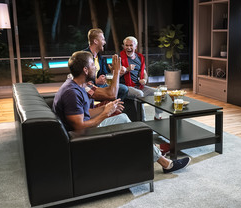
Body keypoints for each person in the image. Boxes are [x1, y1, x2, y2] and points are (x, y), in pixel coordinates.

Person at [53, 51, 191, 174]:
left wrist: (106, 108)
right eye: (93, 65)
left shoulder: (78, 85)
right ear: (85, 69)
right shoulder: (72, 93)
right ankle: (165, 162)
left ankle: (152, 149)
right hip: (82, 137)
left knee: (125, 118)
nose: (96, 68)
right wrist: (105, 113)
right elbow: (80, 127)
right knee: (136, 132)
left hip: (85, 130)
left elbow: (85, 112)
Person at [119, 36, 162, 120]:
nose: (128, 48)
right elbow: (116, 75)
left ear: (135, 46)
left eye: (131, 45)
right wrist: (127, 69)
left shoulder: (140, 58)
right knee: (140, 94)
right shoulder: (120, 58)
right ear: (124, 46)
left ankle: (157, 115)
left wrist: (145, 80)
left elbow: (144, 72)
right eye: (126, 45)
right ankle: (143, 120)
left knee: (157, 92)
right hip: (126, 87)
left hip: (138, 85)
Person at [84, 28, 129, 100]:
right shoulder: (84, 56)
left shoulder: (100, 58)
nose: (104, 42)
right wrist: (96, 81)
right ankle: (111, 108)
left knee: (123, 89)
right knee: (118, 91)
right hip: (88, 87)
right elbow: (80, 77)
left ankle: (114, 108)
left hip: (100, 85)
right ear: (95, 41)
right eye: (102, 39)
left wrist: (115, 71)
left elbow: (105, 75)